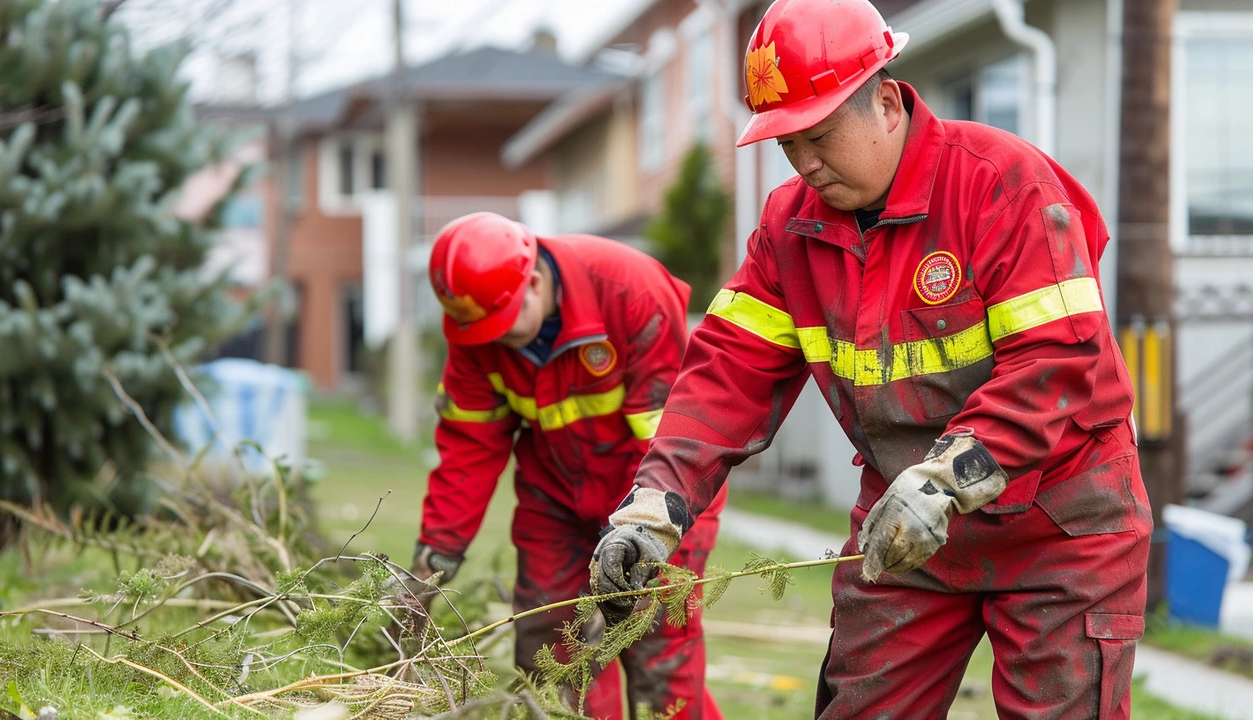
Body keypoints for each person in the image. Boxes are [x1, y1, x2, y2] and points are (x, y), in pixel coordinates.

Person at [590, 0, 1151, 718]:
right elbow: (725, 376)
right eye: (788, 143)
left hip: (1060, 525)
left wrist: (945, 482)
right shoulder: (788, 228)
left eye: (818, 136)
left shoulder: (1001, 183)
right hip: (903, 529)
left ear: (886, 102)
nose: (805, 163)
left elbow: (1056, 361)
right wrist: (652, 510)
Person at [416, 212, 726, 720]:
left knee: (657, 652)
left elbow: (677, 443)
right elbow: (468, 446)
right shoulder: (477, 329)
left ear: (533, 282)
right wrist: (435, 554)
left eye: (501, 326)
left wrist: (648, 531)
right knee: (548, 650)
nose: (493, 342)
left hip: (656, 498)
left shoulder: (630, 292)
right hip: (553, 497)